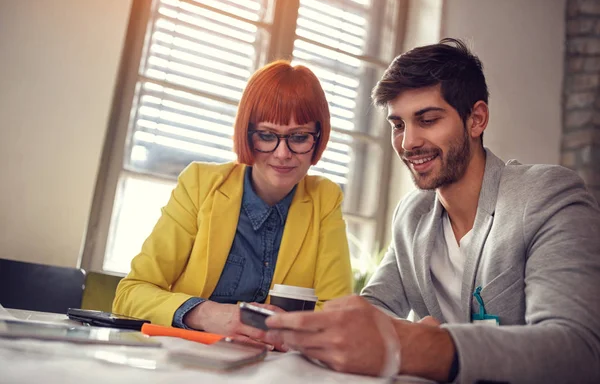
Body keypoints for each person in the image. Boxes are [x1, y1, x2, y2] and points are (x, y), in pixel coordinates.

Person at [265, 39, 600, 383]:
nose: (408, 142)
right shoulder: (412, 214)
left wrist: (428, 346)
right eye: (398, 125)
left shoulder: (546, 195)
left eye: (427, 119)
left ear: (477, 119)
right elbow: (376, 308)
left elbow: (577, 350)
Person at [113, 60, 353, 348]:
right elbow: (130, 294)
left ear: (318, 137)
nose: (282, 153)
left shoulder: (324, 198)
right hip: (186, 358)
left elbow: (338, 317)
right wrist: (205, 314)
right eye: (267, 135)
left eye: (299, 137)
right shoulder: (200, 183)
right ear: (247, 133)